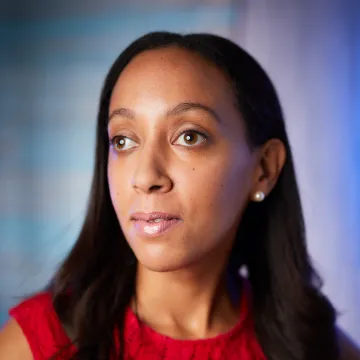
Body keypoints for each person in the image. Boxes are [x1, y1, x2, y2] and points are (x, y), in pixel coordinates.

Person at [0, 31, 358, 360]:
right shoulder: (38, 345)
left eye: (189, 136)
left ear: (263, 168)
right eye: (123, 141)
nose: (145, 177)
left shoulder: (317, 346)